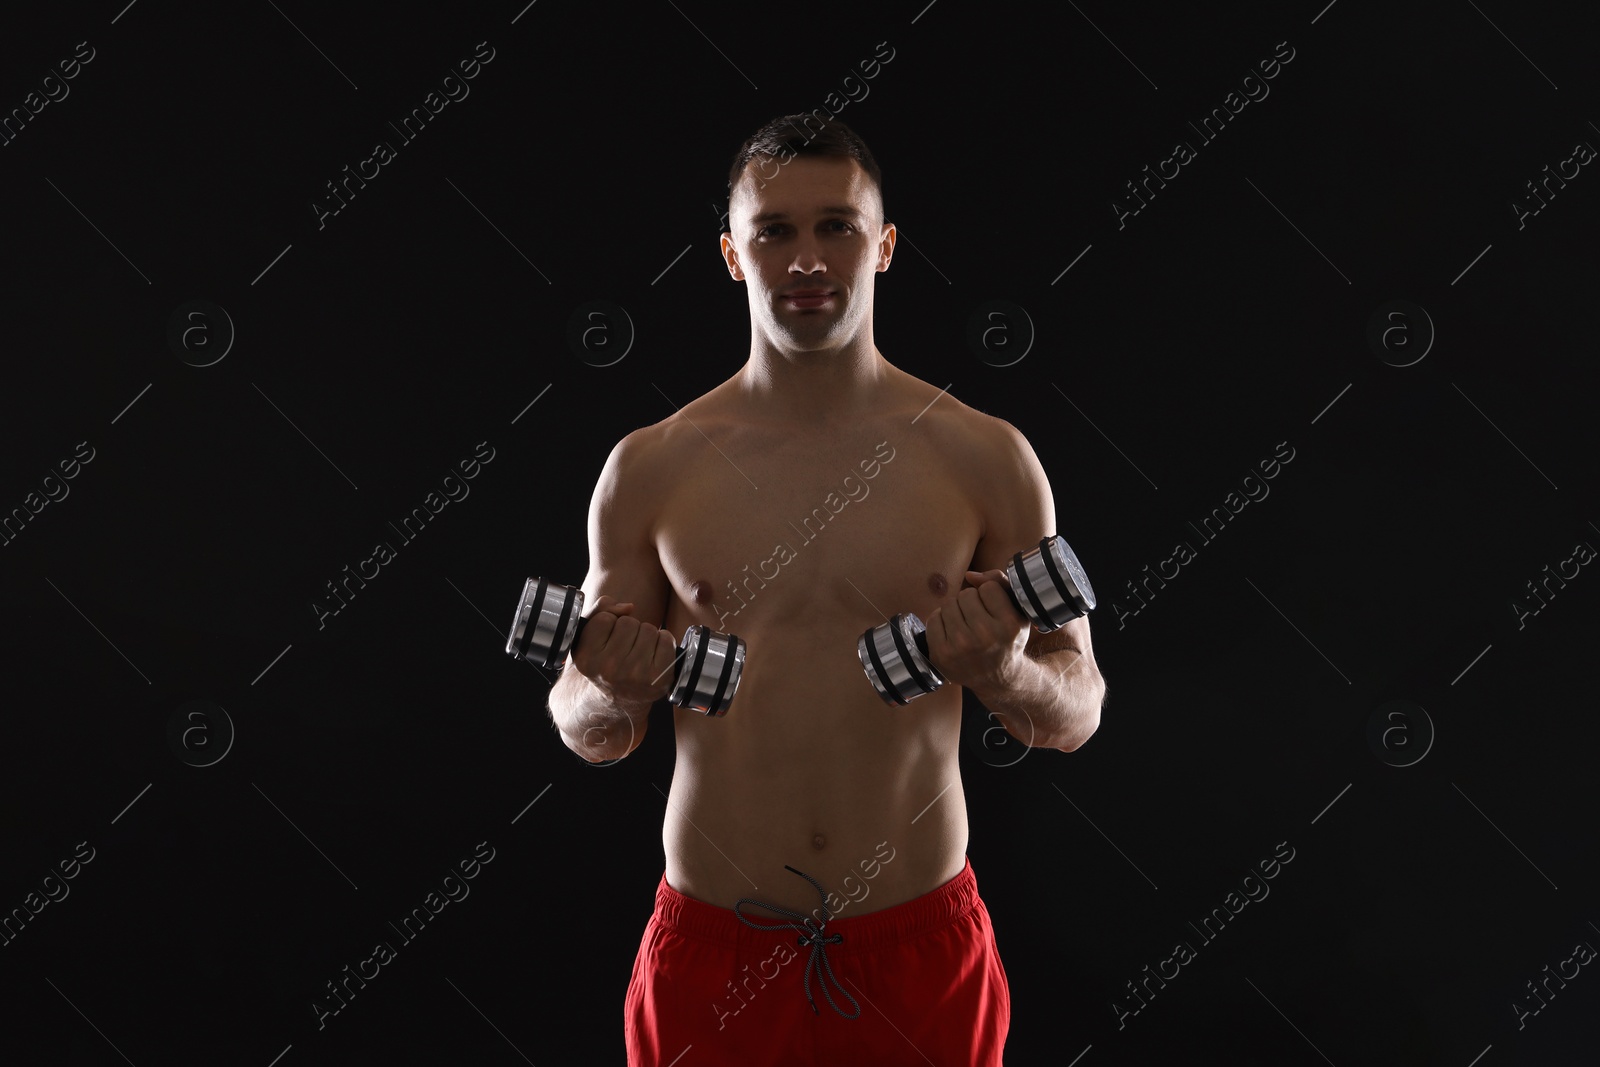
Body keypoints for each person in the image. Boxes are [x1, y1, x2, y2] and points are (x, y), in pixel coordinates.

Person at [546, 113, 1108, 1066]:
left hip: (917, 948)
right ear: (733, 254)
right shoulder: (651, 468)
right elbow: (584, 727)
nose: (807, 258)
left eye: (837, 226)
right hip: (712, 953)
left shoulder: (986, 457)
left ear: (884, 245)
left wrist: (1006, 672)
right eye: (775, 231)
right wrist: (610, 686)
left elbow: (1077, 708)